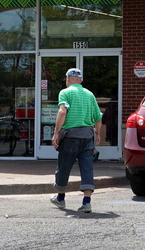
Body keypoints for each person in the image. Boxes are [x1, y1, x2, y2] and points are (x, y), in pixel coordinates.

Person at [50, 67, 103, 213]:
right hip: (87, 136)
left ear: (67, 79)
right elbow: (98, 118)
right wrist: (97, 134)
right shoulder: (89, 94)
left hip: (70, 137)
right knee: (87, 168)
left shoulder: (65, 92)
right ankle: (87, 202)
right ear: (81, 80)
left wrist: (56, 133)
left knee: (64, 167)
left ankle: (60, 199)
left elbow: (62, 112)